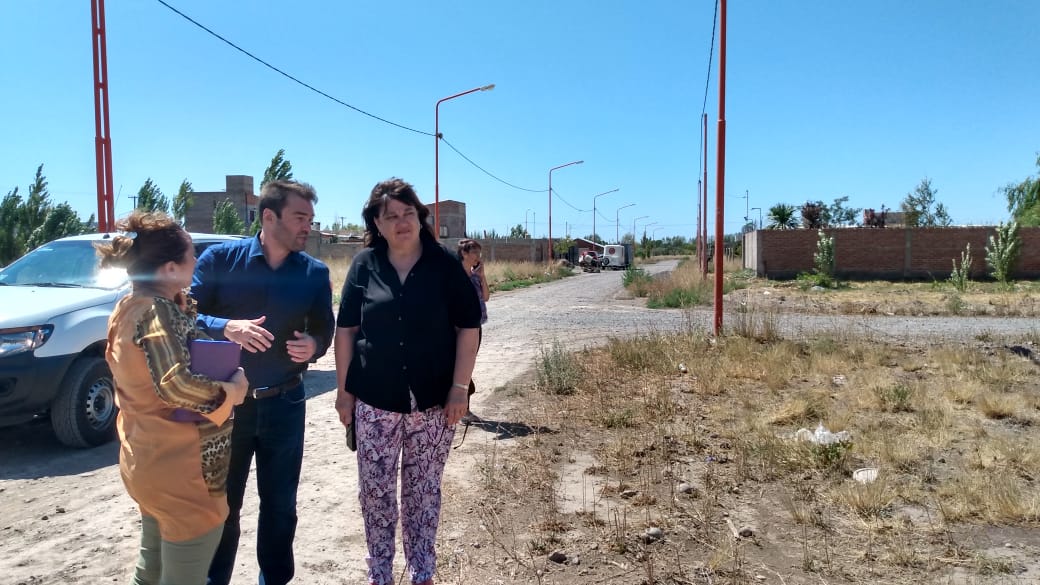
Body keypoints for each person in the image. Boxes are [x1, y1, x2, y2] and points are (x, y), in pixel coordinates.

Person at [334, 178, 481, 585]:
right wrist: (344, 393)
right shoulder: (365, 264)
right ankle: (379, 572)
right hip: (375, 400)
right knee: (376, 493)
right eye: (390, 216)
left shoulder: (445, 266)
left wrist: (459, 388)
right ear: (377, 224)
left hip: (434, 403)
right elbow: (346, 330)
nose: (400, 222)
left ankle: (422, 572)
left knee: (423, 492)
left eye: (407, 214)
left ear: (420, 218)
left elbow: (468, 328)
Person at [192, 180, 335, 585]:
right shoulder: (220, 260)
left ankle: (274, 580)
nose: (309, 226)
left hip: (285, 404)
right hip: (224, 407)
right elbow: (182, 319)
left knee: (280, 506)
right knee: (221, 506)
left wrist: (315, 344)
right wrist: (226, 327)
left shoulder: (314, 273)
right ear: (269, 217)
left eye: (310, 218)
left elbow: (326, 328)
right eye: (300, 218)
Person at [97, 210, 249, 585]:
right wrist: (233, 391)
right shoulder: (156, 312)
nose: (196, 261)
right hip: (179, 468)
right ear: (168, 269)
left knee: (151, 569)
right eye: (190, 255)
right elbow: (176, 384)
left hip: (146, 457)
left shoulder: (130, 306)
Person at [456, 238, 489, 424]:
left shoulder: (475, 275)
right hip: (459, 328)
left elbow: (486, 297)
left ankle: (463, 409)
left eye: (479, 252)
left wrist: (482, 276)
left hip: (476, 326)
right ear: (464, 254)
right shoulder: (455, 277)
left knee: (468, 366)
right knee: (461, 367)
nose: (478, 256)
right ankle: (462, 410)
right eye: (475, 252)